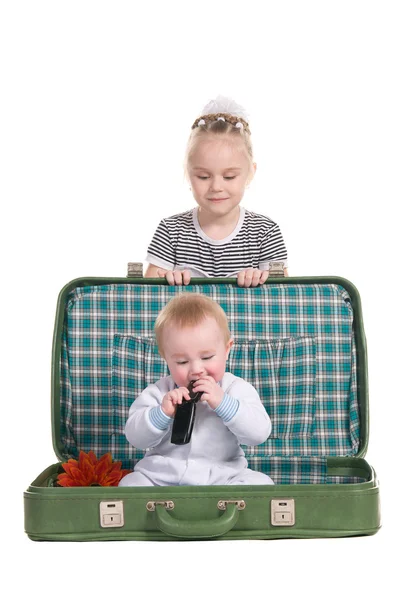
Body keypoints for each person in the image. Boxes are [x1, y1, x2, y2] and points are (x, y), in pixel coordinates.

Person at [119, 293, 274, 486]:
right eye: (182, 362)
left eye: (207, 357)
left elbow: (258, 434)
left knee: (261, 484)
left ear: (227, 350)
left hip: (223, 477)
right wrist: (162, 413)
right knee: (130, 483)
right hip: (162, 477)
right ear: (166, 358)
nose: (196, 370)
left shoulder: (235, 388)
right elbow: (136, 438)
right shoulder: (159, 392)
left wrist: (223, 403)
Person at [144, 95, 288, 288]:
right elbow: (145, 297)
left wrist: (261, 280)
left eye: (229, 177)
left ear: (250, 173)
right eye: (203, 177)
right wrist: (166, 282)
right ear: (188, 173)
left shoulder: (265, 232)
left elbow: (285, 298)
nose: (216, 187)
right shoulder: (171, 231)